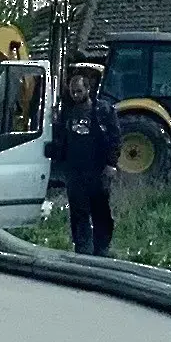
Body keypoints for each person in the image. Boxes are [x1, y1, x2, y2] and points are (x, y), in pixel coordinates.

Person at [59, 75, 121, 257]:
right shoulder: (68, 112)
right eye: (73, 92)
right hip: (75, 171)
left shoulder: (102, 111)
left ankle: (102, 249)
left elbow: (115, 138)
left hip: (98, 170)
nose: (76, 95)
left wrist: (111, 164)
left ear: (88, 90)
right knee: (78, 212)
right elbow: (62, 138)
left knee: (100, 210)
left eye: (79, 91)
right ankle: (82, 249)